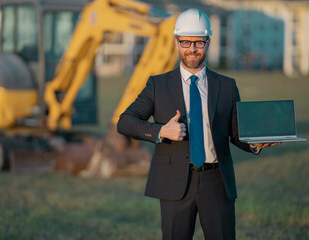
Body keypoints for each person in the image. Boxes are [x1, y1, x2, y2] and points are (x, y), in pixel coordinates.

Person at [117, 8, 279, 240]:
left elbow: (236, 133)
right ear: (176, 43)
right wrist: (161, 130)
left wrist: (257, 143)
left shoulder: (227, 86)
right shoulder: (157, 85)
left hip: (216, 182)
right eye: (185, 42)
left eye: (198, 42)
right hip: (174, 184)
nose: (192, 48)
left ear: (208, 42)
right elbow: (125, 122)